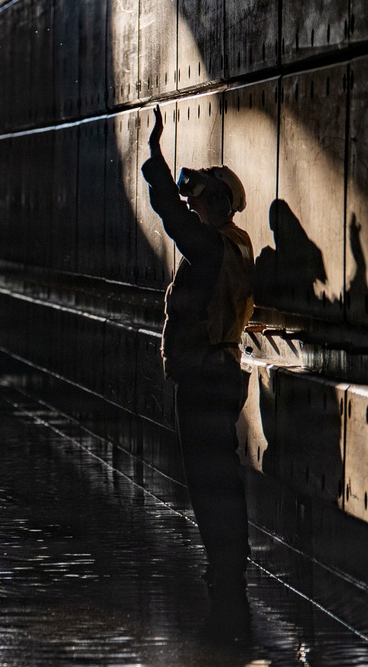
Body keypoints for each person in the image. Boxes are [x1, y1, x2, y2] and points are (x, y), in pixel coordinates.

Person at [141, 106, 255, 617]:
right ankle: (228, 566)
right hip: (223, 371)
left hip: (205, 377)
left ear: (216, 204)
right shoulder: (235, 244)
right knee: (221, 478)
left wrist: (156, 156)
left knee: (209, 482)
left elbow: (170, 215)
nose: (194, 205)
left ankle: (227, 573)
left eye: (201, 198)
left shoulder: (209, 246)